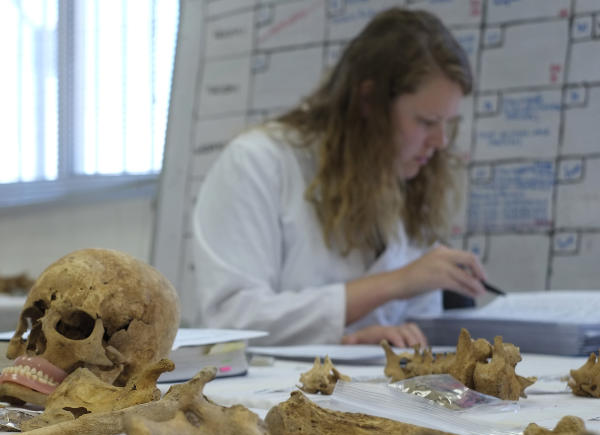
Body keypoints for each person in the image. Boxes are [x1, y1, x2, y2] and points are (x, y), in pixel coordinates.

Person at [192, 8, 487, 348]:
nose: (440, 142)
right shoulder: (259, 162)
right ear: (368, 101)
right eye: (425, 122)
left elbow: (413, 324)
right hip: (263, 396)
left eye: (448, 124)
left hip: (375, 394)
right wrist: (395, 283)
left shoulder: (405, 177)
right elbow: (233, 320)